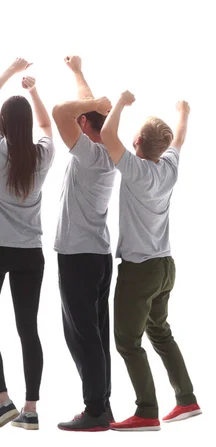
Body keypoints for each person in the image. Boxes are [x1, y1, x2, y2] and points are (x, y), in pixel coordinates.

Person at [100, 92, 202, 431]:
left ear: (137, 142)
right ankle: (186, 399)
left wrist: (122, 103)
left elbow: (106, 136)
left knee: (128, 341)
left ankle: (147, 411)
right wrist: (183, 112)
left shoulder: (135, 170)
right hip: (165, 268)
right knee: (160, 331)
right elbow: (180, 137)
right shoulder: (169, 168)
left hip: (140, 271)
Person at [0, 58, 54, 431]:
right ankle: (31, 409)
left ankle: (3, 402)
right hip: (29, 255)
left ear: (3, 125)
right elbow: (48, 125)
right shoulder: (43, 155)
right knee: (28, 329)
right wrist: (34, 91)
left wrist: (6, 74)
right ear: (29, 126)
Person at [51, 56, 116, 431]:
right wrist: (78, 73)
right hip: (97, 254)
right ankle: (102, 405)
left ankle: (94, 411)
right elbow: (83, 112)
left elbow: (62, 112)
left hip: (79, 256)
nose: (76, 122)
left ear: (85, 125)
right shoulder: (106, 147)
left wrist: (93, 103)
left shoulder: (90, 154)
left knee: (82, 335)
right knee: (95, 333)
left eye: (82, 119)